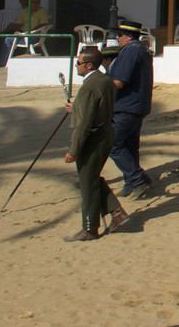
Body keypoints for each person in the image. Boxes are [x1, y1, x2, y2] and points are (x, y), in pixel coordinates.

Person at [62, 46, 129, 241]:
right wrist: (76, 107)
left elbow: (84, 123)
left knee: (87, 183)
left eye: (79, 63)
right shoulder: (105, 80)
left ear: (88, 64)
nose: (77, 66)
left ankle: (90, 228)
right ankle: (116, 212)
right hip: (107, 132)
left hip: (94, 138)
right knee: (91, 177)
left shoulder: (89, 86)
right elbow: (96, 107)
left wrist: (74, 149)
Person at [106, 19, 154, 197]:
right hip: (137, 105)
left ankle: (137, 178)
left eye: (119, 35)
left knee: (113, 144)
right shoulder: (141, 51)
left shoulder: (130, 52)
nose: (117, 38)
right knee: (130, 145)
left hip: (126, 106)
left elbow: (119, 82)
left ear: (128, 36)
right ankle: (131, 183)